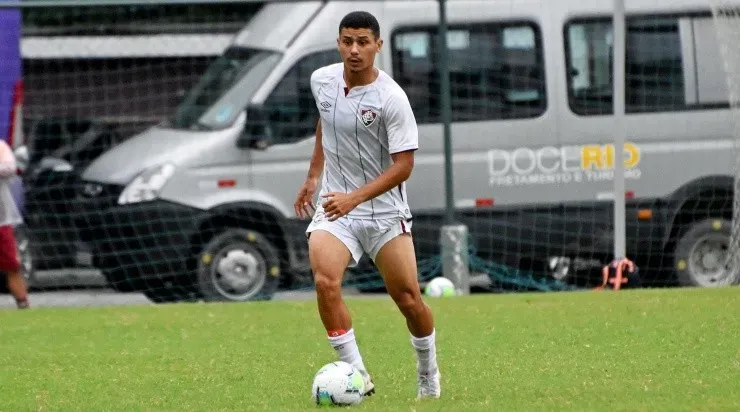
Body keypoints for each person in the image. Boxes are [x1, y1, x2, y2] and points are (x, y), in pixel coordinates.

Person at [294, 10, 440, 400]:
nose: (354, 50)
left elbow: (404, 166)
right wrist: (313, 177)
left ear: (378, 45)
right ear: (338, 43)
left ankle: (428, 370)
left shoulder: (392, 99)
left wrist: (354, 198)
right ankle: (357, 374)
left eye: (363, 42)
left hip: (384, 213)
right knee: (325, 281)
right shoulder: (321, 81)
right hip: (336, 209)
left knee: (408, 300)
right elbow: (326, 122)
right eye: (347, 41)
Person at [0, 139, 28, 309]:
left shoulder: (1, 147)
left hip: (1, 219)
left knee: (12, 263)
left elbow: (10, 168)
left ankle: (23, 302)